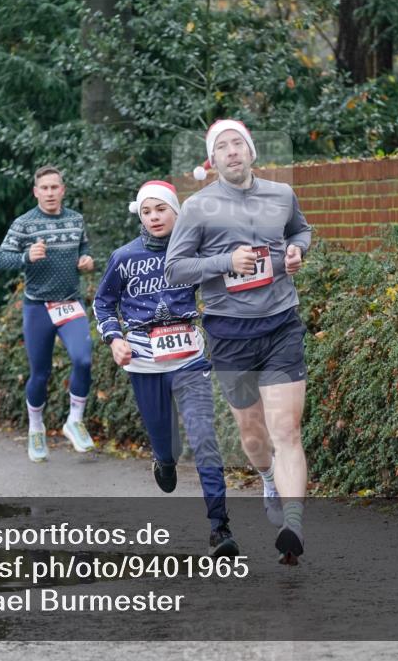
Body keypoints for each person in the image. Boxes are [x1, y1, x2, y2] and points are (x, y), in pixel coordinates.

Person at [166, 119, 312, 565]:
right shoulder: (198, 208)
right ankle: (267, 478)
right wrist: (225, 261)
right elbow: (175, 270)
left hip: (281, 324)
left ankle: (293, 524)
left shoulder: (281, 195)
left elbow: (301, 232)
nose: (232, 152)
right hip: (230, 333)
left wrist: (297, 251)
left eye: (238, 144)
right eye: (223, 147)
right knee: (253, 438)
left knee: (286, 429)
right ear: (213, 160)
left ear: (251, 152)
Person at [93, 180, 239, 557]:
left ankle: (219, 527)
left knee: (204, 438)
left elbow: (229, 279)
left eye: (161, 209)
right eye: (147, 211)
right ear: (140, 216)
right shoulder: (124, 257)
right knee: (165, 442)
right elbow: (103, 304)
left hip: (190, 358)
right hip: (144, 361)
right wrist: (114, 340)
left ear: (177, 212)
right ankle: (164, 458)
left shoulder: (193, 252)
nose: (154, 217)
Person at [0, 166, 95, 462]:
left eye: (55, 187)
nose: (50, 193)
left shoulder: (76, 220)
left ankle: (74, 421)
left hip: (69, 302)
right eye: (45, 188)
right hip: (38, 306)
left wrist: (88, 261)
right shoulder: (24, 223)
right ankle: (36, 428)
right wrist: (26, 256)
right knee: (40, 373)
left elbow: (85, 251)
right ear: (36, 192)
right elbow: (1, 259)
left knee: (84, 358)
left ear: (63, 190)